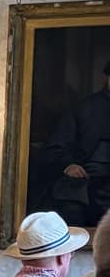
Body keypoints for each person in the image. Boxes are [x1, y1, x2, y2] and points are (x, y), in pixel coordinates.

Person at [40, 56, 110, 221]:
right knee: (71, 206)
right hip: (86, 180)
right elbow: (54, 148)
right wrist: (68, 165)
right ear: (107, 78)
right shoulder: (84, 107)